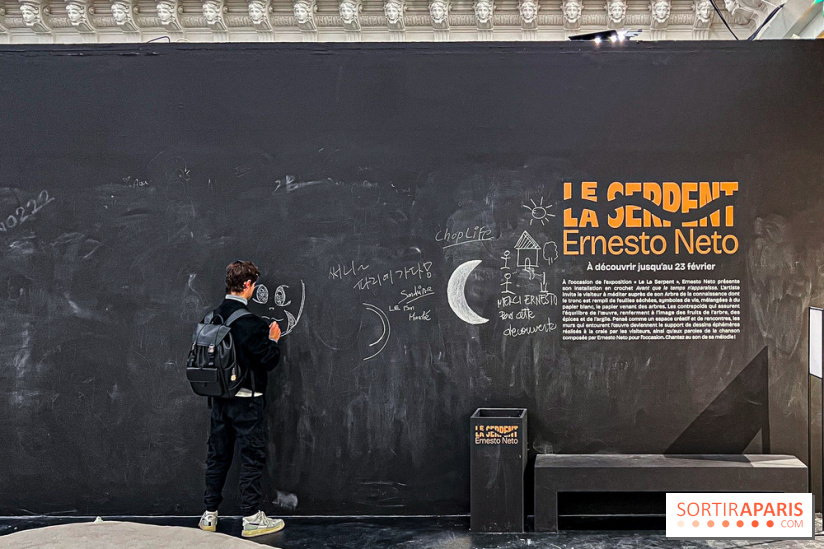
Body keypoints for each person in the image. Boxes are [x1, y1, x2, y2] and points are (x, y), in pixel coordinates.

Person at [199, 260, 284, 538]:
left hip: (219, 401)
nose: (254, 289)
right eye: (254, 285)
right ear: (247, 285)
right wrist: (272, 340)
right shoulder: (250, 323)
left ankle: (209, 515)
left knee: (218, 456)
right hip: (247, 402)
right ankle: (250, 518)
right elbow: (268, 361)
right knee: (251, 457)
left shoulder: (212, 318)